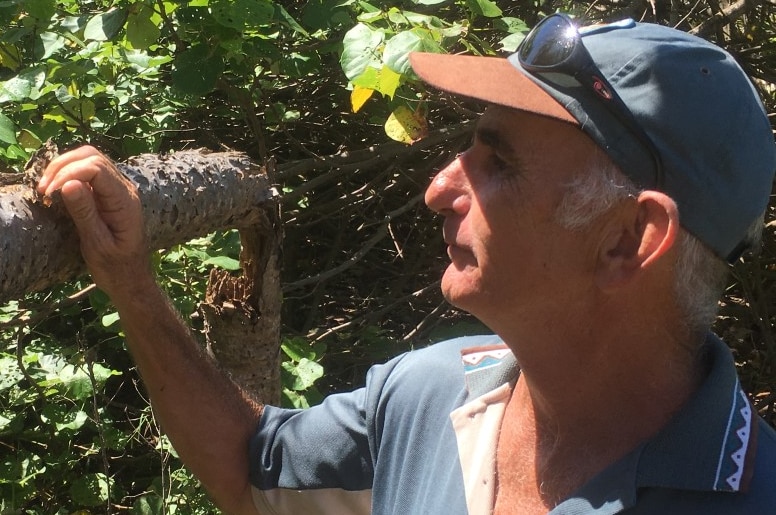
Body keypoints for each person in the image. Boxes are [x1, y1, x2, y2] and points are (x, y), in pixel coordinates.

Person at [38, 12, 776, 515]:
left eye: (500, 163)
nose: (438, 188)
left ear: (628, 240)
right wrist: (131, 281)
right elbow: (247, 464)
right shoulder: (430, 396)